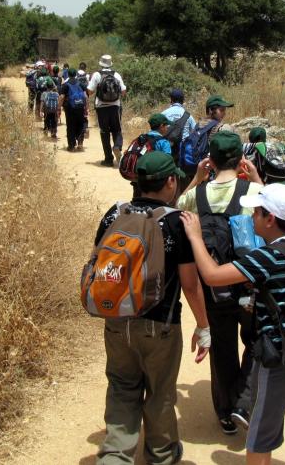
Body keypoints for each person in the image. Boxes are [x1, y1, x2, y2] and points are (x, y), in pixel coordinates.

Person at [180, 183, 285, 465]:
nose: (251, 216)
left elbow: (212, 275)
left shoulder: (267, 257)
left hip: (281, 362)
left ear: (269, 219)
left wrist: (194, 237)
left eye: (256, 212)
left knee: (260, 436)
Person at [94, 151, 211, 465]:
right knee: (160, 393)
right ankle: (161, 456)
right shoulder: (176, 223)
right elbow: (189, 285)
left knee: (121, 387)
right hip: (161, 325)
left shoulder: (113, 214)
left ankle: (115, 456)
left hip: (117, 321)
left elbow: (100, 264)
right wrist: (203, 326)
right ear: (170, 181)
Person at [177, 130, 264, 435]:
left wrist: (197, 178)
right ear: (241, 160)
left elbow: (177, 207)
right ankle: (245, 401)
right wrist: (254, 176)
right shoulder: (251, 192)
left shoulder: (196, 196)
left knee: (222, 347)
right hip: (247, 284)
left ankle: (226, 414)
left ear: (210, 160)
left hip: (213, 287)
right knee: (257, 341)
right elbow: (270, 214)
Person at [88, 54, 127, 167]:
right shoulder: (116, 74)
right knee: (117, 129)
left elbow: (90, 91)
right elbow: (124, 91)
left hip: (101, 108)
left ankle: (108, 159)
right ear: (110, 64)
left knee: (104, 132)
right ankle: (117, 146)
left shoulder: (97, 75)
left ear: (101, 64)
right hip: (115, 107)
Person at [127, 114, 174, 199]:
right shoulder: (163, 142)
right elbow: (167, 162)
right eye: (166, 125)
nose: (167, 128)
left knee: (137, 200)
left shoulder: (141, 138)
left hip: (138, 176)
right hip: (152, 182)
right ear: (161, 126)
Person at [59, 68, 87, 151]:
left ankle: (71, 146)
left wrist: (58, 107)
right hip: (80, 107)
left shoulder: (65, 85)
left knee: (70, 126)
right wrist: (86, 107)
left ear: (68, 75)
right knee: (80, 125)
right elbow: (85, 96)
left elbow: (62, 97)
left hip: (70, 109)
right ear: (75, 74)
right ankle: (80, 143)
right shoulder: (81, 84)